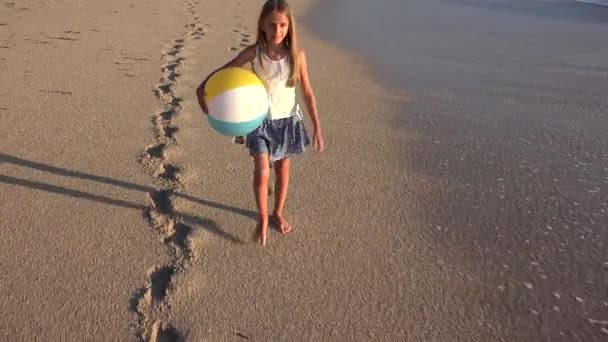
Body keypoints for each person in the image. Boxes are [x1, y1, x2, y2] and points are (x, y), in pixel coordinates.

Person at [196, 0, 324, 246]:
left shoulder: (297, 55)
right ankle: (263, 217)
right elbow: (225, 70)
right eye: (272, 25)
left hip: (286, 122)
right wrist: (203, 86)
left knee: (283, 169)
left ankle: (277, 212)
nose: (278, 30)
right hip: (260, 123)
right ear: (263, 26)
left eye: (283, 25)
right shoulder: (254, 53)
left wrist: (316, 125)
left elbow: (307, 92)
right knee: (262, 171)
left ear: (290, 26)